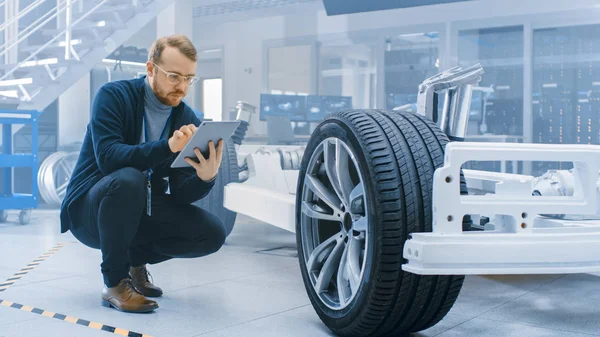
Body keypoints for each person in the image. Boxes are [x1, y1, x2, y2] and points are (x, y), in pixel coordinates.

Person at [59, 35, 226, 313]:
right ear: (150, 69)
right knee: (128, 178)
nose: (182, 87)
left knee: (211, 233)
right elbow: (109, 158)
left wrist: (204, 178)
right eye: (174, 76)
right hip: (91, 210)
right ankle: (115, 283)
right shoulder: (113, 96)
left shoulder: (187, 118)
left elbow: (182, 193)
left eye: (189, 78)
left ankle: (135, 262)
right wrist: (168, 146)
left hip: (140, 210)